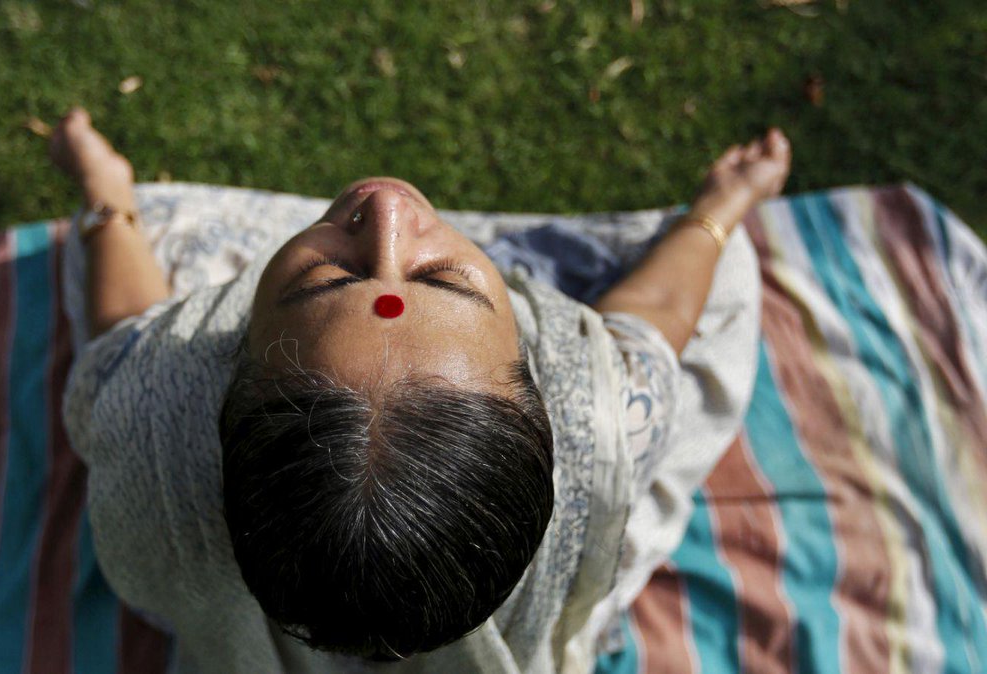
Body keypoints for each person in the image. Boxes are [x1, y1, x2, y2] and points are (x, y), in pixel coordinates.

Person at [52, 107, 789, 671]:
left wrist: (107, 202)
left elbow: (125, 325)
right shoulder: (605, 409)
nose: (388, 212)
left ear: (231, 370)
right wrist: (719, 212)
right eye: (444, 282)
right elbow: (653, 312)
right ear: (541, 383)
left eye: (328, 279)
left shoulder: (151, 402)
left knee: (143, 243)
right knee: (722, 276)